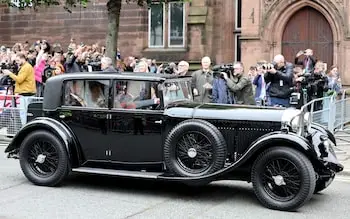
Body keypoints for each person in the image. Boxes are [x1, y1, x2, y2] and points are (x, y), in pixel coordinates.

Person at [2, 52, 36, 125]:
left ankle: (24, 127)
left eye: (18, 60)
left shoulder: (26, 67)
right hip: (25, 93)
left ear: (23, 59)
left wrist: (9, 74)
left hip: (27, 93)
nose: (17, 62)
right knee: (23, 113)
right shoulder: (24, 67)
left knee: (24, 114)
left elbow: (19, 79)